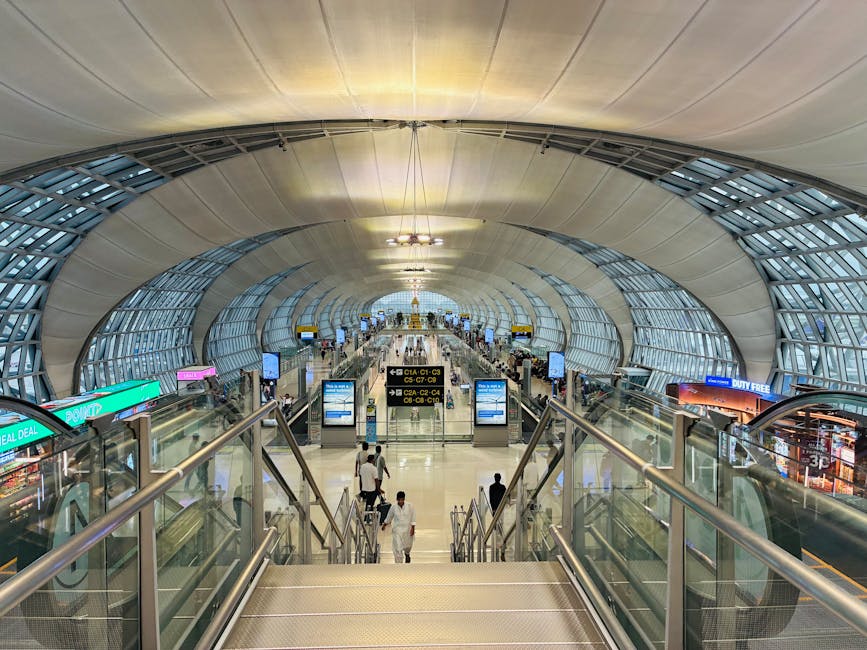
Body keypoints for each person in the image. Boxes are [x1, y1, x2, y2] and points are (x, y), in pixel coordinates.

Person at [381, 490, 416, 563]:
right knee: (398, 547)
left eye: (402, 500)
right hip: (397, 530)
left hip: (407, 529)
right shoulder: (393, 507)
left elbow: (413, 517)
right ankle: (399, 564)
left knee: (407, 546)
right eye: (399, 500)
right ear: (397, 499)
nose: (400, 501)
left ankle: (407, 554)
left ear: (404, 499)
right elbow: (389, 516)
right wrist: (384, 524)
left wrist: (413, 528)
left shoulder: (410, 506)